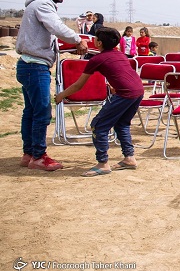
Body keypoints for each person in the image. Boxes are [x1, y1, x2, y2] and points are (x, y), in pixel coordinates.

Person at [15, 0, 88, 171]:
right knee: (42, 112)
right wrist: (77, 39)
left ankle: (29, 153)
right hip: (35, 66)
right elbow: (56, 27)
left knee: (31, 111)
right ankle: (38, 156)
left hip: (29, 64)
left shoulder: (37, 4)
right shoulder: (42, 4)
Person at [55, 27, 144, 177]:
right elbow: (120, 73)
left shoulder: (96, 59)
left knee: (98, 126)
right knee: (121, 124)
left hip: (125, 94)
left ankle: (102, 163)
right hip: (138, 91)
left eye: (95, 38)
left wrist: (61, 95)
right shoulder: (120, 54)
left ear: (99, 43)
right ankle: (129, 158)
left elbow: (78, 85)